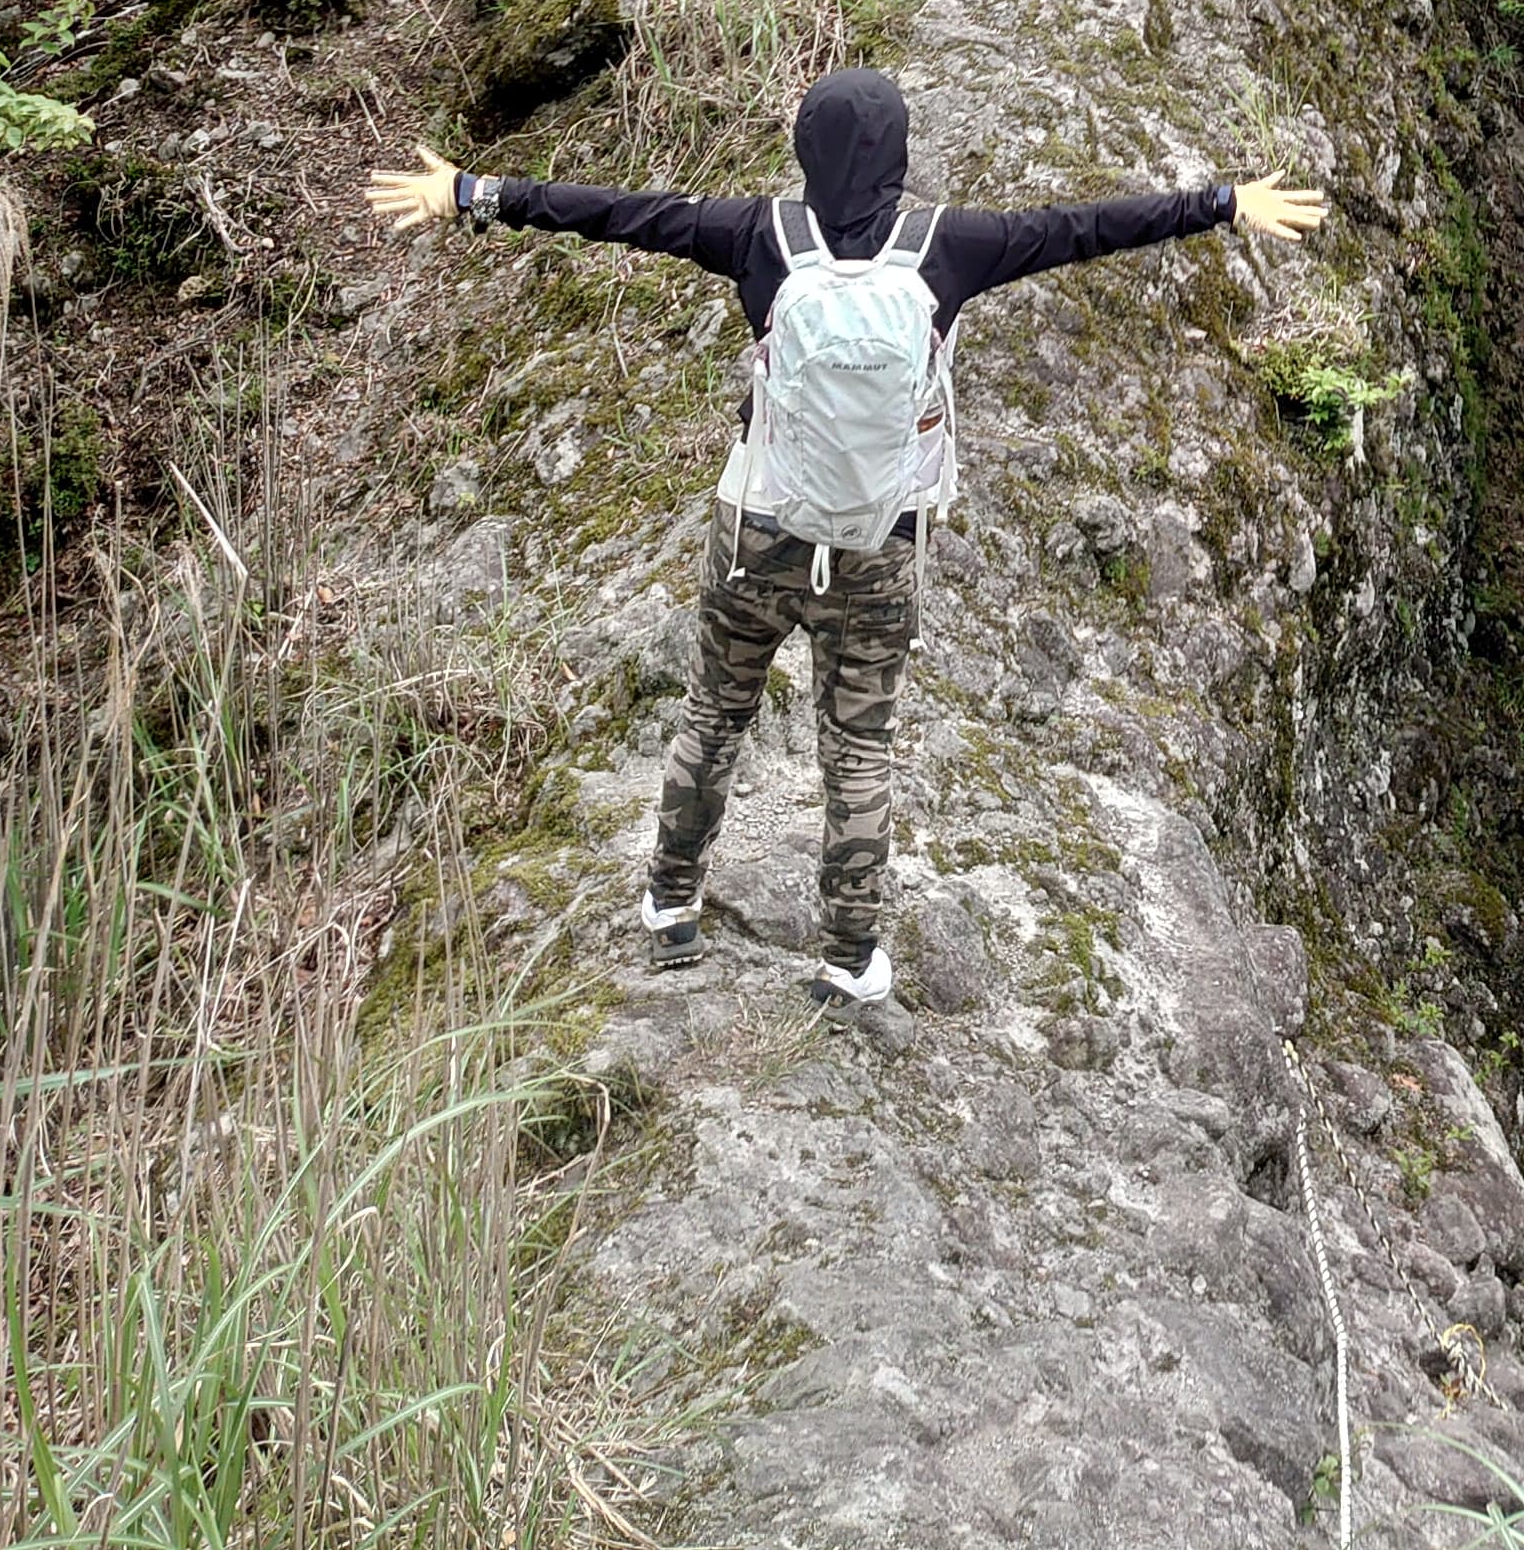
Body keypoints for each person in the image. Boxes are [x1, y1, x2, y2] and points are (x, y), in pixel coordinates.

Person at [367, 68, 1325, 1003]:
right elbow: (1085, 229)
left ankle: (669, 904)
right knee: (859, 747)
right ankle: (849, 956)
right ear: (899, 154)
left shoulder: (756, 236)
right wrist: (1224, 202)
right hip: (878, 545)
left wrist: (470, 192)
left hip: (757, 531)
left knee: (713, 714)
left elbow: (618, 212)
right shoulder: (952, 246)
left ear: (804, 148)